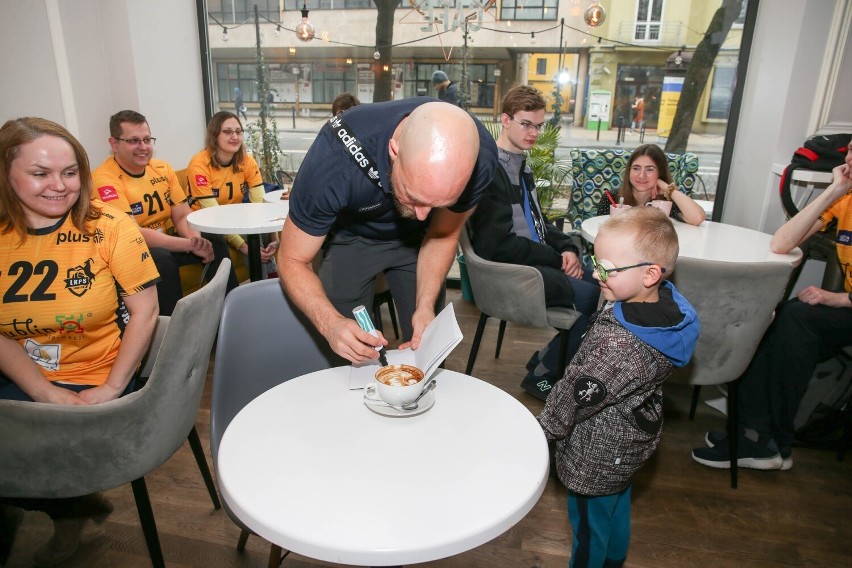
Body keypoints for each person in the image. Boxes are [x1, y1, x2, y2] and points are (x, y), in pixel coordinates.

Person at [0, 117, 160, 565]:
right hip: (21, 373)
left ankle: (69, 507)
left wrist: (110, 388)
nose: (60, 186)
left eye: (70, 172)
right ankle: (76, 503)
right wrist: (41, 390)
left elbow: (146, 310)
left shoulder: (108, 224)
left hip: (96, 373)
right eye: (40, 173)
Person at [277, 99, 497, 363]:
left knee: (428, 350)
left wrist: (425, 306)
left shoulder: (479, 158)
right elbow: (291, 259)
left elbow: (443, 233)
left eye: (438, 203)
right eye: (415, 198)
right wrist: (330, 324)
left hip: (424, 242)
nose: (422, 214)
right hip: (354, 236)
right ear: (395, 151)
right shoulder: (335, 159)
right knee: (348, 353)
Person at [539, 206, 699, 568]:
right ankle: (614, 560)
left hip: (596, 451)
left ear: (650, 274)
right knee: (615, 506)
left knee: (588, 526)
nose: (597, 273)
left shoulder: (620, 349)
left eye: (607, 268)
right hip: (629, 442)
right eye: (596, 261)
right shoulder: (659, 304)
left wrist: (541, 431)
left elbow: (575, 397)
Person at [692, 137, 852, 471]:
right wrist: (834, 190)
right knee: (768, 321)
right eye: (851, 152)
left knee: (795, 320)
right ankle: (759, 438)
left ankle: (765, 439)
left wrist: (837, 298)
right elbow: (781, 243)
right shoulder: (845, 198)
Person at [469, 85, 601, 400]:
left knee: (602, 276)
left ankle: (545, 359)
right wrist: (556, 259)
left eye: (538, 125)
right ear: (505, 120)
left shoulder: (521, 167)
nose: (533, 133)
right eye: (526, 124)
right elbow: (498, 246)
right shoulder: (491, 171)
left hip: (533, 262)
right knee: (600, 296)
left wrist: (566, 247)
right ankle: (544, 375)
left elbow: (537, 223)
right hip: (513, 274)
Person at [92, 110, 238, 316]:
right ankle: (173, 331)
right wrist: (188, 245)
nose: (143, 147)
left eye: (146, 139)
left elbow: (181, 215)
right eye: (134, 141)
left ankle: (229, 315)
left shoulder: (162, 168)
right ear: (114, 144)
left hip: (168, 241)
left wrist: (196, 241)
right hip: (131, 252)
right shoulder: (104, 180)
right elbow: (134, 234)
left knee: (213, 239)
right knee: (161, 259)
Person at [185, 111, 278, 275]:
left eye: (238, 132)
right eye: (227, 132)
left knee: (258, 230)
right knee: (220, 238)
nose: (234, 136)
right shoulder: (199, 164)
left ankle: (269, 284)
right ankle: (239, 295)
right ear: (214, 136)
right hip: (205, 223)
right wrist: (244, 247)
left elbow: (260, 206)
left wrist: (274, 238)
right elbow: (214, 215)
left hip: (232, 217)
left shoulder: (247, 160)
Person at [596, 144, 706, 226]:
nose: (641, 175)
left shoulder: (665, 203)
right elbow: (597, 233)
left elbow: (697, 218)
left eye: (650, 169)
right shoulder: (612, 197)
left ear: (660, 172)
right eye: (636, 168)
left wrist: (668, 189)